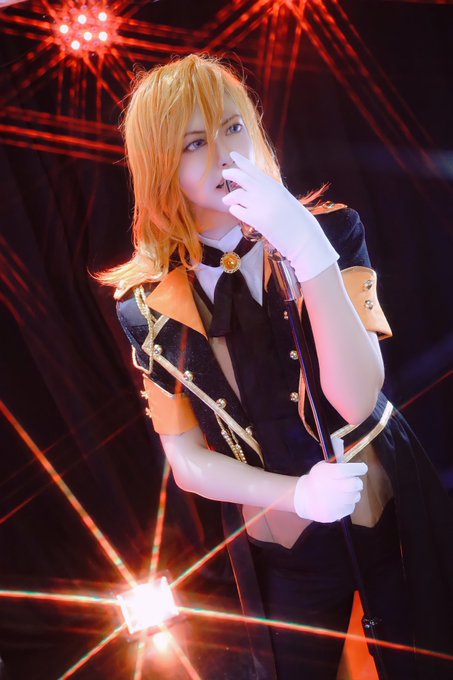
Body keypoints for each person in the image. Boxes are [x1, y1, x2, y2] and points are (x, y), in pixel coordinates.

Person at [98, 54, 453, 679]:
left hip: (387, 511)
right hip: (282, 541)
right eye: (195, 142)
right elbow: (187, 461)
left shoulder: (331, 232)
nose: (223, 154)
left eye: (233, 128)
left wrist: (309, 250)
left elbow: (356, 398)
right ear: (160, 163)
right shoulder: (145, 309)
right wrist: (295, 495)